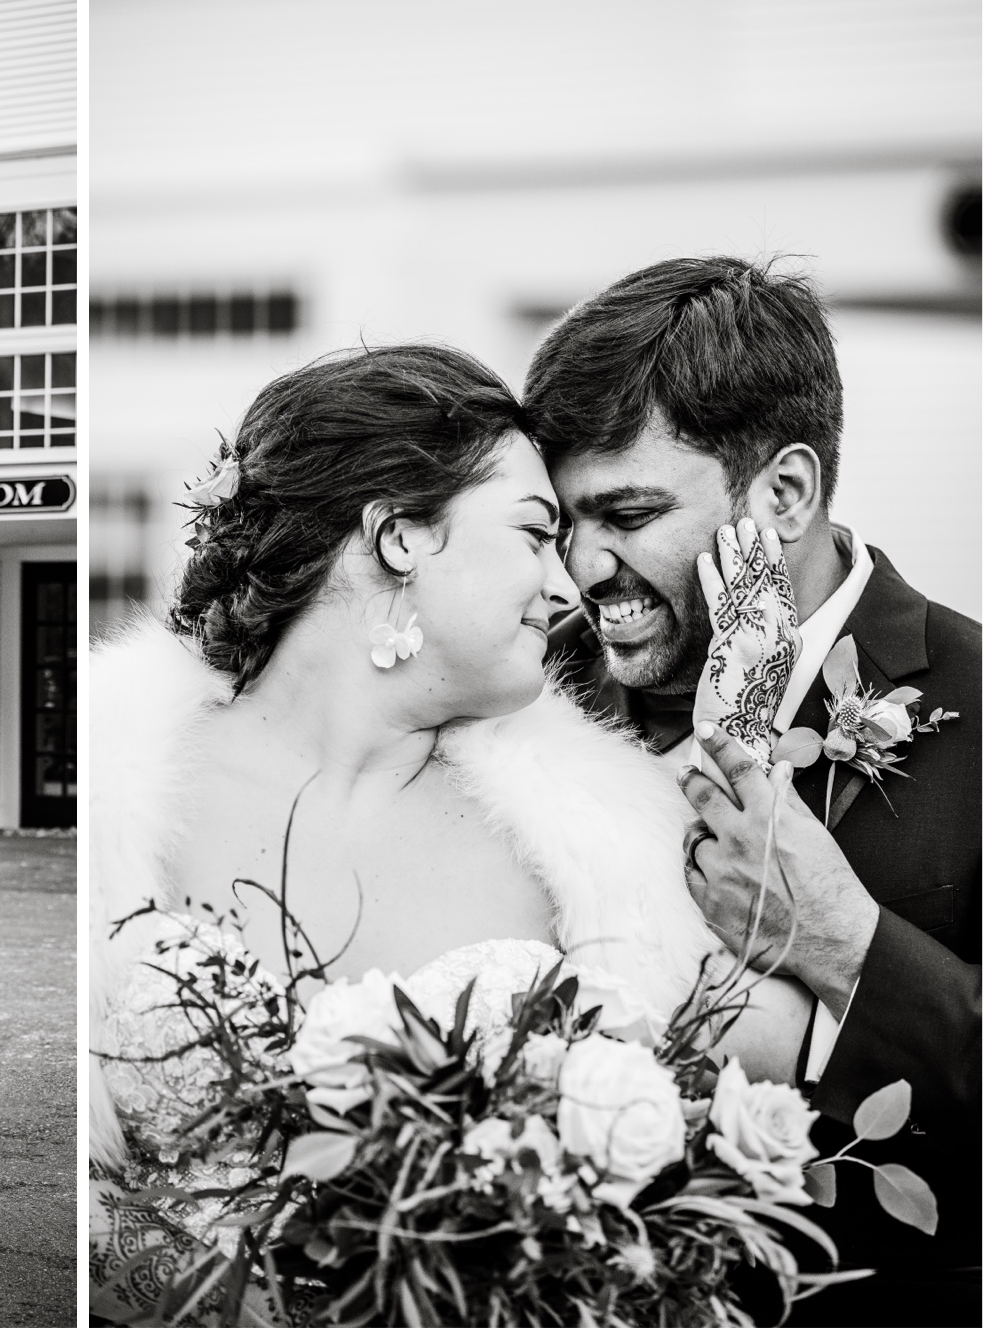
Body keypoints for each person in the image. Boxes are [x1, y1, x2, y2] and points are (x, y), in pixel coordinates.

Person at [88, 344, 812, 1319]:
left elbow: (787, 1052)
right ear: (398, 536)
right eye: (531, 534)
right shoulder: (119, 783)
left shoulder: (596, 849)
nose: (567, 591)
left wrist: (742, 750)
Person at [529, 255, 980, 1326]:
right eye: (562, 526)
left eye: (627, 516)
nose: (582, 569)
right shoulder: (527, 691)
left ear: (783, 493)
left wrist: (846, 947)